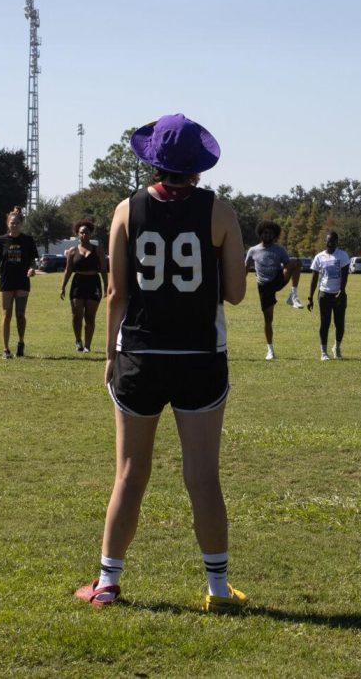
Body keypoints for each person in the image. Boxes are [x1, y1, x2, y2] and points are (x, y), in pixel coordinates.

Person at [76, 113, 248, 612]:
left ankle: (107, 583)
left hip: (141, 356)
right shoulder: (221, 213)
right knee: (203, 476)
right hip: (199, 357)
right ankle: (217, 588)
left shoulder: (126, 210)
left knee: (129, 472)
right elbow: (236, 294)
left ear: (152, 159)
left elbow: (115, 293)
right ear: (197, 163)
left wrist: (109, 353)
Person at [0, 208, 39, 359]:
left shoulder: (28, 240)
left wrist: (32, 269)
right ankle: (6, 349)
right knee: (6, 314)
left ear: (21, 224)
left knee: (20, 314)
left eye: (17, 223)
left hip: (22, 282)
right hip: (6, 282)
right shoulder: (1, 241)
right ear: (7, 224)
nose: (14, 225)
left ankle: (21, 342)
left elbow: (32, 261)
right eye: (11, 223)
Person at [245, 220, 301, 361]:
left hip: (277, 279)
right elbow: (245, 268)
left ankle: (293, 295)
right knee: (268, 319)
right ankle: (270, 350)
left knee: (296, 262)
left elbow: (287, 265)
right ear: (260, 234)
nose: (267, 235)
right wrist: (240, 284)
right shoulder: (253, 250)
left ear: (274, 235)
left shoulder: (279, 249)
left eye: (270, 233)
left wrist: (287, 272)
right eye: (265, 232)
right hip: (264, 287)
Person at [60, 220, 108, 353]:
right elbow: (68, 270)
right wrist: (63, 286)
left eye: (86, 232)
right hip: (78, 283)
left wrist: (106, 286)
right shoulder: (72, 251)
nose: (84, 235)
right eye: (81, 233)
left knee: (90, 316)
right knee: (77, 315)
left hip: (93, 282)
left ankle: (87, 345)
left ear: (90, 234)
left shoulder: (98, 250)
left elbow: (103, 269)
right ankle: (78, 341)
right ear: (77, 234)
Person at [307, 231, 351, 360]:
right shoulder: (319, 257)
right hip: (324, 294)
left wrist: (341, 291)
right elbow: (314, 279)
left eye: (333, 241)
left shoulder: (342, 255)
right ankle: (323, 352)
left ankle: (336, 348)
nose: (330, 243)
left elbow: (345, 275)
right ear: (325, 242)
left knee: (340, 324)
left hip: (339, 294)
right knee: (324, 323)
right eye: (328, 241)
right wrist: (310, 297)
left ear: (337, 242)